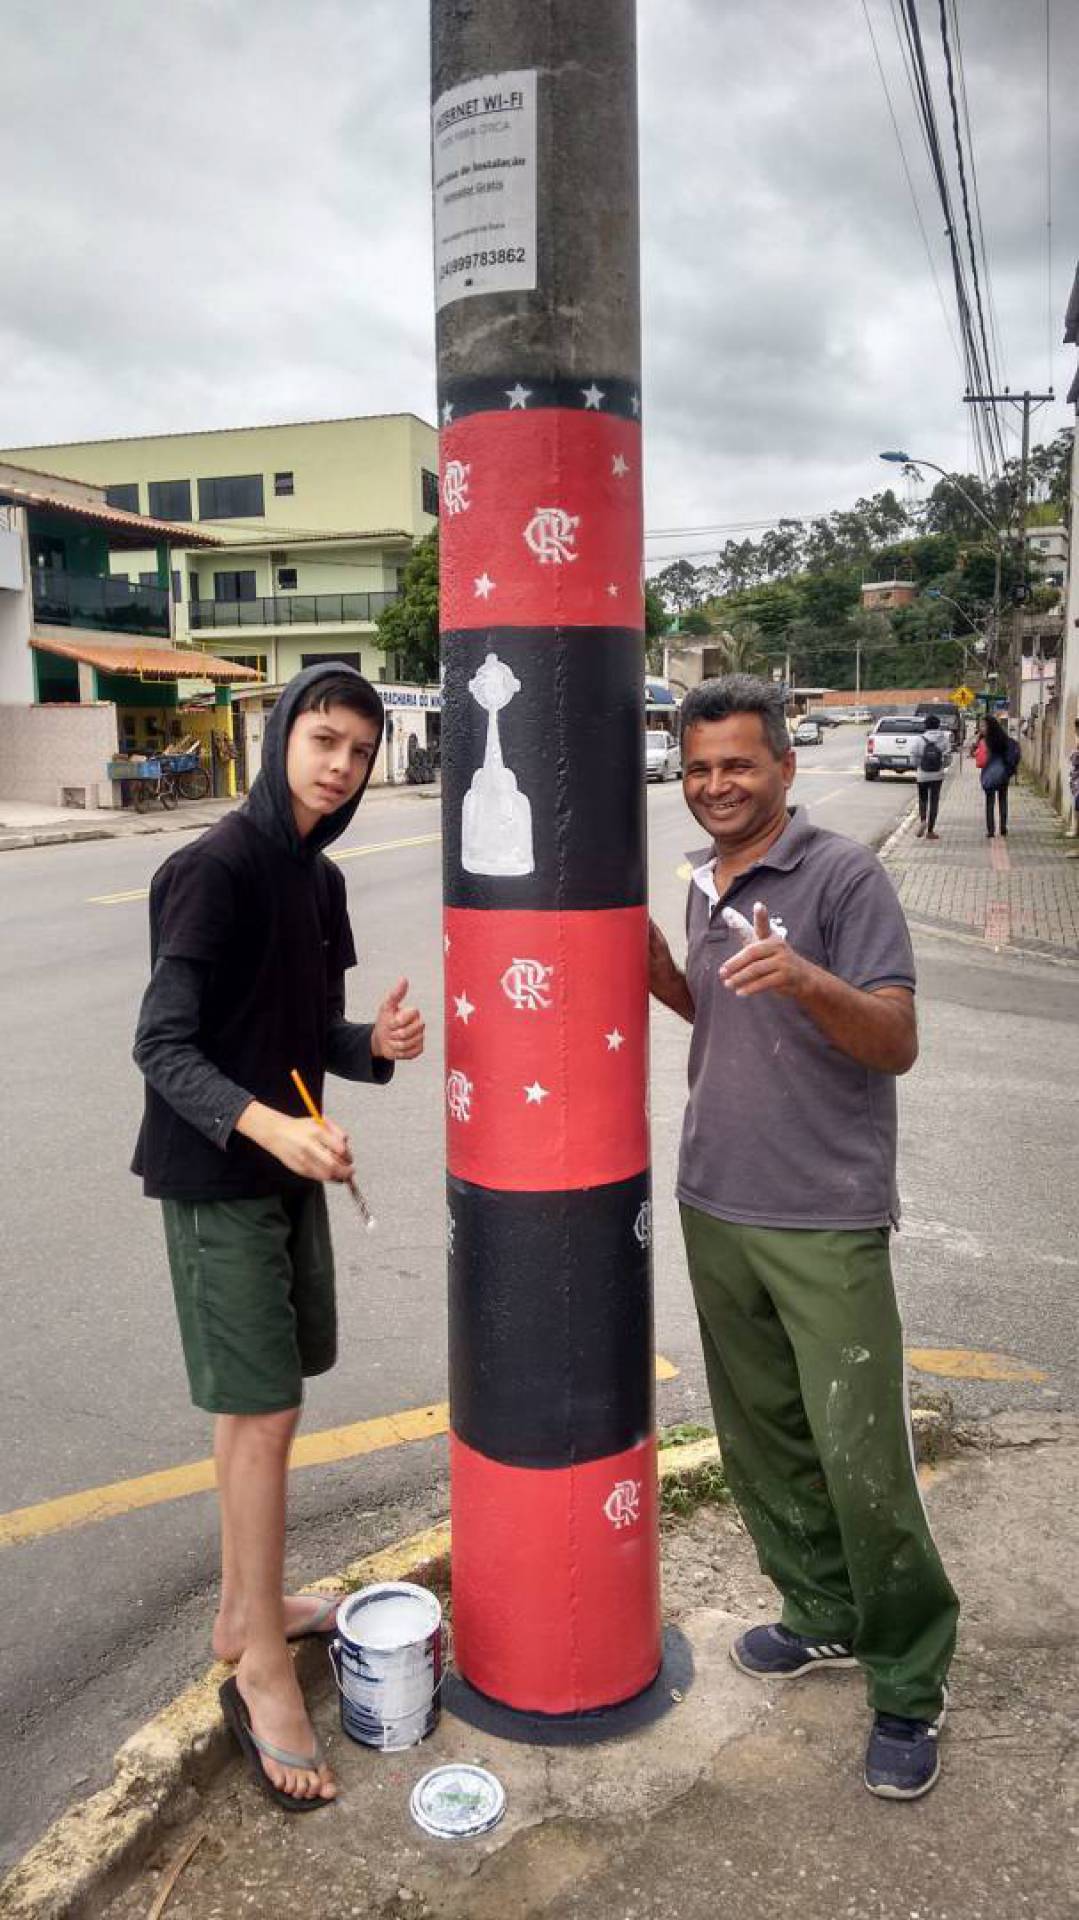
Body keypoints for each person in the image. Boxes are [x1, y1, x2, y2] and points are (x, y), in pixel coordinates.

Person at [648, 675, 958, 1801]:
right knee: (763, 1437)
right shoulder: (702, 879)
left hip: (822, 1211)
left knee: (860, 1454)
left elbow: (894, 1039)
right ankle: (819, 1607)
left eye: (737, 763)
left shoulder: (841, 876)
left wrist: (806, 975)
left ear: (782, 765)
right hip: (714, 1198)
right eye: (698, 768)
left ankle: (908, 1679)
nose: (715, 785)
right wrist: (654, 966)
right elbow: (723, 1012)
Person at [131, 662, 425, 1812]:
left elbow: (307, 1036)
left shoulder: (319, 878)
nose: (340, 764)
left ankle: (240, 1609)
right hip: (216, 1176)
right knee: (260, 1410)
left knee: (268, 1402)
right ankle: (258, 1665)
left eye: (358, 748)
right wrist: (270, 1127)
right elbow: (162, 1044)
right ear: (281, 738)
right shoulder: (213, 868)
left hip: (282, 1170)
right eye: (323, 739)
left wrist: (374, 1047)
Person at [909, 713, 949, 840]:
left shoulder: (919, 739)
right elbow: (948, 757)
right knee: (934, 801)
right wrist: (942, 766)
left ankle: (923, 820)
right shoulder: (943, 739)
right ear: (938, 725)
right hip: (937, 775)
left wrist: (918, 766)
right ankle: (930, 831)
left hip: (922, 775)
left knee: (923, 799)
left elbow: (913, 756)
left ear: (926, 725)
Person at [980, 713, 1020, 838]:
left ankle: (991, 830)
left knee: (989, 802)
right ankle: (1003, 827)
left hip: (991, 773)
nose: (981, 728)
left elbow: (982, 758)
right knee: (1003, 800)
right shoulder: (1004, 738)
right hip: (1003, 773)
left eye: (983, 725)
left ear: (989, 726)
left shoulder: (987, 740)